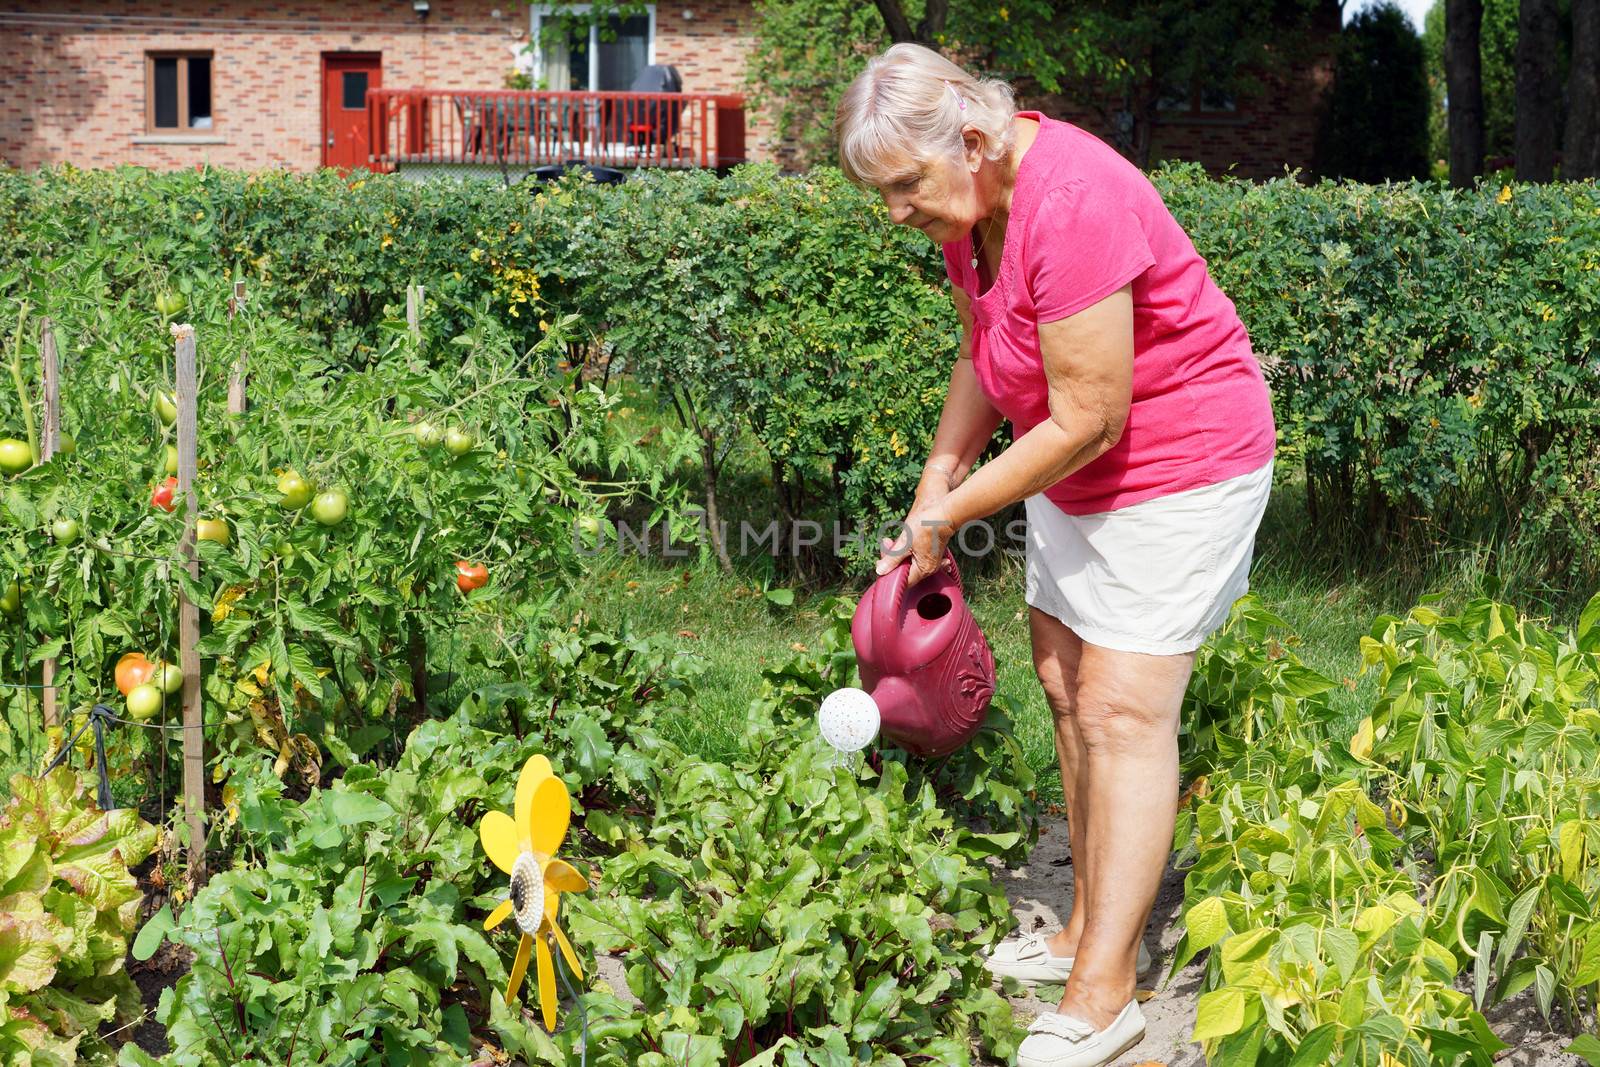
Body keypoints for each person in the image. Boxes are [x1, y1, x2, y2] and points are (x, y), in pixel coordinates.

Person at [835, 44, 1277, 1067]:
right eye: (881, 191)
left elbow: (1089, 413)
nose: (895, 210)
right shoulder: (971, 212)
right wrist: (932, 483)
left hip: (1177, 463)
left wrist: (951, 518)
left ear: (976, 140)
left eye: (904, 184)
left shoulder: (1072, 199)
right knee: (1068, 687)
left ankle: (1106, 995)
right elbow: (982, 357)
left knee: (1123, 706)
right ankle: (1084, 929)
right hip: (1077, 471)